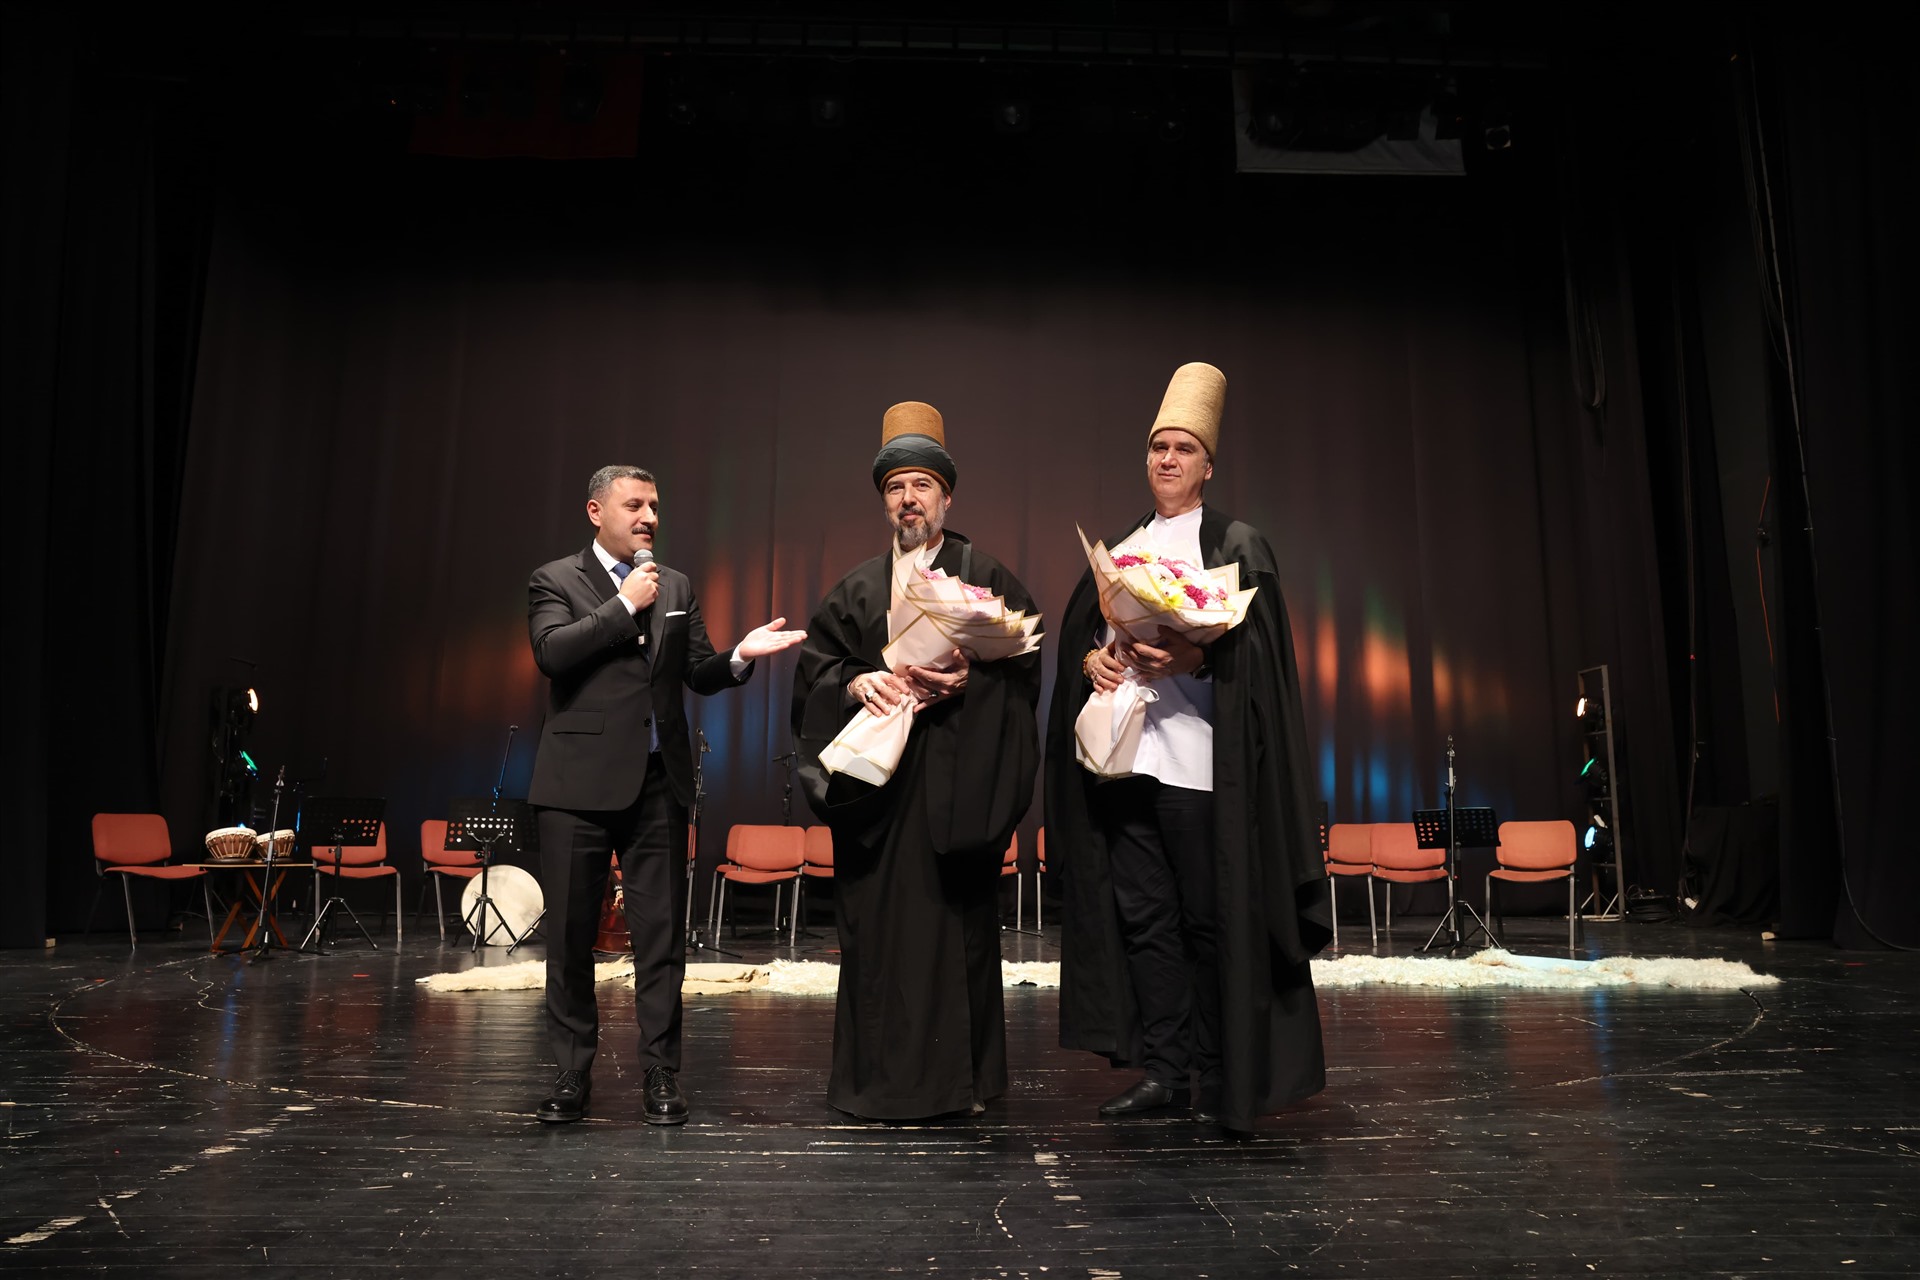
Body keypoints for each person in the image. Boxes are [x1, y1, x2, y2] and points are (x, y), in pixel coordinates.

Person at [1046, 362, 1331, 1135]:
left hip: (1203, 767)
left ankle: (1220, 1070)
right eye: (1157, 447)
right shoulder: (1124, 546)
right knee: (1146, 922)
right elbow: (1085, 640)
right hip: (1127, 762)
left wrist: (1198, 656)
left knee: (1210, 922)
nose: (1167, 459)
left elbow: (1262, 660)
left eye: (1182, 449)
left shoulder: (1235, 542)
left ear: (1208, 465)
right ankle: (1166, 1072)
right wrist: (1093, 661)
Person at [527, 464, 806, 1125]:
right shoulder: (556, 578)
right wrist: (624, 605)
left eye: (654, 505)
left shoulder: (675, 583)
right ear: (596, 511)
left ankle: (660, 1072)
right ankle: (571, 1072)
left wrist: (739, 657)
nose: (649, 517)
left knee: (661, 940)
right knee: (570, 938)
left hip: (658, 784)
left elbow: (697, 670)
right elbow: (552, 653)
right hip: (576, 786)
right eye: (635, 505)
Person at [791, 402, 1041, 1120]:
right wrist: (854, 682)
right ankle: (875, 1085)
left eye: (922, 485)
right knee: (876, 938)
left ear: (946, 497)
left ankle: (963, 1085)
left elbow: (1025, 678)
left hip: (958, 789)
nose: (909, 499)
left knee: (958, 933)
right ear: (884, 501)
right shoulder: (857, 588)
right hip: (879, 797)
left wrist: (972, 682)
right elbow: (815, 673)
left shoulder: (985, 577)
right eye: (896, 487)